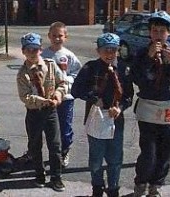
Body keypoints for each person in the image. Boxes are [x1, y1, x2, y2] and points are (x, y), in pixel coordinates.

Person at [131, 11, 170, 197]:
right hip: (148, 107)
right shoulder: (142, 53)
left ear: (168, 33)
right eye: (154, 30)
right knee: (148, 152)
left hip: (167, 108)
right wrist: (149, 59)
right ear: (150, 32)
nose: (158, 35)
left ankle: (156, 186)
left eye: (162, 31)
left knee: (165, 152)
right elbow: (136, 78)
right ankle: (141, 183)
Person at [71, 33, 134, 197]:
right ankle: (97, 187)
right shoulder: (90, 68)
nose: (109, 53)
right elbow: (76, 90)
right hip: (96, 116)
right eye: (105, 50)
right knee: (96, 159)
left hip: (115, 118)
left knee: (115, 158)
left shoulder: (124, 69)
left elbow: (128, 95)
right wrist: (92, 98)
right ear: (98, 51)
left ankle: (113, 188)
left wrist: (120, 107)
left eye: (113, 50)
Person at [16, 32, 67, 192]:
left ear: (41, 49)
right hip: (34, 113)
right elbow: (25, 96)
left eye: (35, 49)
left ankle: (56, 177)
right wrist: (41, 100)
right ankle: (39, 174)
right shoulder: (22, 74)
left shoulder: (50, 65)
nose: (32, 53)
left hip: (51, 112)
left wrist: (59, 94)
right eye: (29, 49)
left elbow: (63, 82)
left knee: (55, 145)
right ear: (23, 51)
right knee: (35, 145)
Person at [42, 21, 83, 167]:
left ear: (66, 37)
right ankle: (54, 153)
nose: (57, 38)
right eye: (54, 36)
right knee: (51, 129)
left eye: (60, 36)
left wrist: (67, 80)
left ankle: (65, 151)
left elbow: (77, 72)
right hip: (48, 99)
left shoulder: (68, 55)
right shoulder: (43, 55)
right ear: (49, 36)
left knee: (65, 127)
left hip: (65, 99)